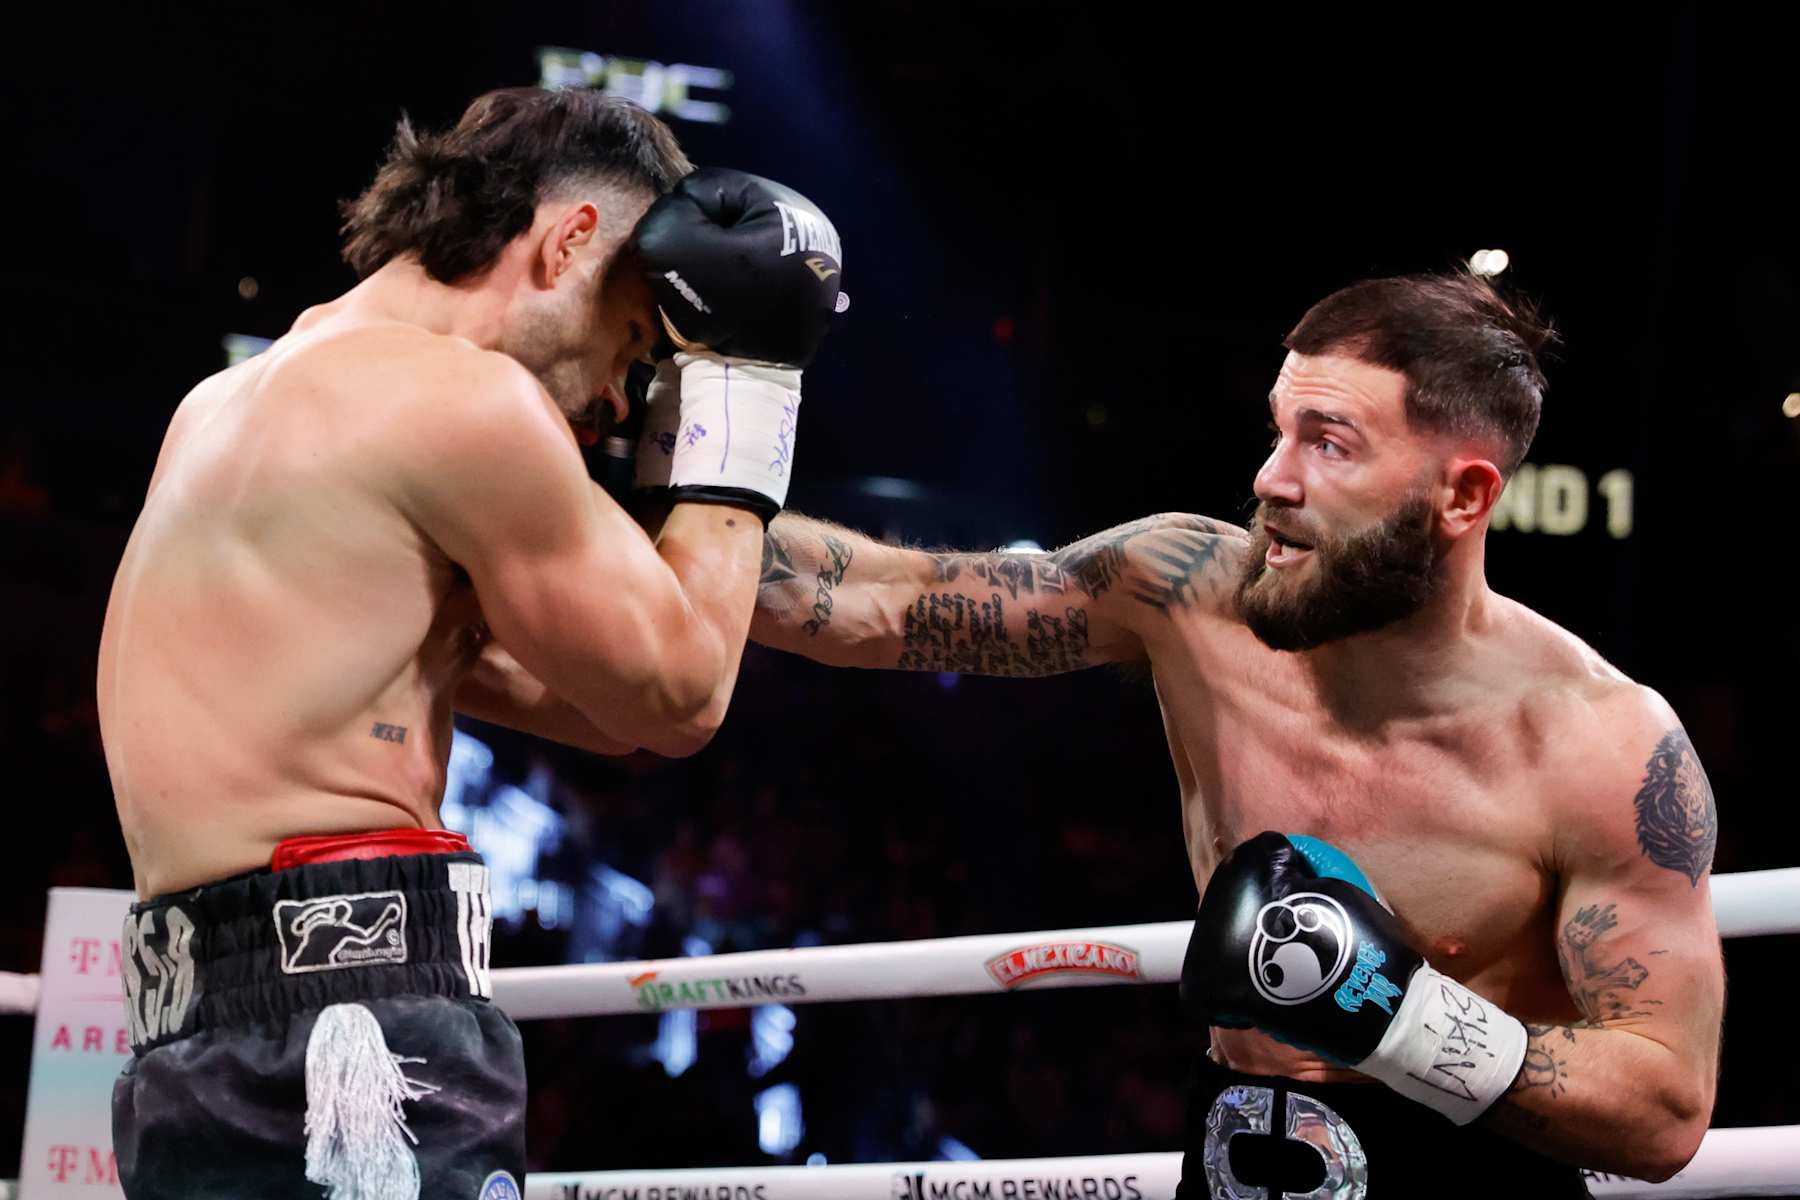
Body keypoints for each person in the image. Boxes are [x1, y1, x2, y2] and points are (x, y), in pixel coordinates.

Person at [749, 273, 1720, 1195]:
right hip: (1228, 1154)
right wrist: (690, 432)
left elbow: (1666, 1111)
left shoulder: (1598, 743)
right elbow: (876, 603)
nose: (1271, 480)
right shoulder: (1192, 594)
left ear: (1462, 497)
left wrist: (1407, 1018)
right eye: (1278, 432)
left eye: (1329, 444)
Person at [96, 86, 843, 1199]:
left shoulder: (226, 401)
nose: (618, 401)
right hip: (352, 1036)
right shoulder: (468, 402)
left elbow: (583, 703)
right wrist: (748, 383)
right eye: (634, 336)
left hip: (186, 1041)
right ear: (569, 241)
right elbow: (679, 698)